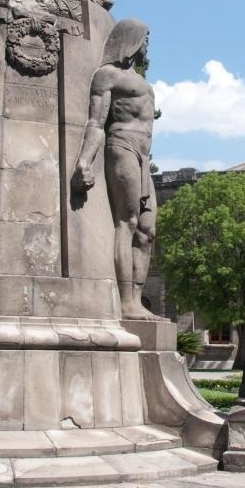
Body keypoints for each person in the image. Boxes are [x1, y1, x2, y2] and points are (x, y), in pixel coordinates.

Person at [72, 19, 160, 320]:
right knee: (129, 221)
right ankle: (126, 302)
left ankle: (136, 298)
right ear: (132, 40)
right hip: (121, 147)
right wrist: (84, 160)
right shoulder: (107, 75)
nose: (147, 46)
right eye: (145, 39)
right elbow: (96, 122)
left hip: (144, 157)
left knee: (147, 231)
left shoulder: (145, 84)